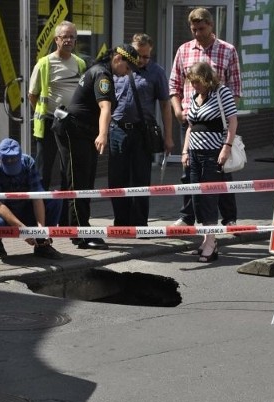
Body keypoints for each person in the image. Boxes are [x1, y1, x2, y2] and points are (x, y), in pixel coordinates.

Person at [55, 44, 139, 249]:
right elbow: (105, 106)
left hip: (80, 132)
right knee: (79, 184)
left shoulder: (99, 70)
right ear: (118, 59)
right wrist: (103, 134)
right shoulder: (102, 74)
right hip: (76, 132)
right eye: (127, 68)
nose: (127, 73)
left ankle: (73, 229)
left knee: (79, 182)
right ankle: (82, 234)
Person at [168, 7, 242, 229]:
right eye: (194, 29)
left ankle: (229, 219)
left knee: (221, 170)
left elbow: (236, 88)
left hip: (217, 123)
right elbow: (174, 84)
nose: (197, 33)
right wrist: (177, 109)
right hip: (192, 121)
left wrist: (226, 117)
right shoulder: (184, 50)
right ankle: (187, 217)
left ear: (211, 26)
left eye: (201, 28)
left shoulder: (227, 51)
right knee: (189, 171)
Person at [108, 33, 174, 227]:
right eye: (139, 56)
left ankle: (139, 224)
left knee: (140, 178)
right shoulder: (117, 69)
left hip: (141, 131)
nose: (144, 60)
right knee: (117, 178)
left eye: (147, 56)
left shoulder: (156, 72)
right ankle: (121, 222)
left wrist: (168, 136)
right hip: (117, 129)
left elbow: (165, 105)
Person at [181, 62, 238, 263]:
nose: (194, 86)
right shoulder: (194, 96)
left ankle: (212, 243)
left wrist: (226, 147)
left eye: (197, 82)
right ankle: (206, 240)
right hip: (194, 154)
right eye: (192, 82)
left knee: (209, 197)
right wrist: (185, 150)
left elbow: (232, 121)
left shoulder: (222, 93)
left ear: (206, 78)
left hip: (213, 153)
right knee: (197, 198)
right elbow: (190, 126)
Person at [28, 21, 87, 192]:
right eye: (64, 37)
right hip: (49, 123)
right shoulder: (44, 63)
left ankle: (64, 215)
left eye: (72, 37)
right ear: (56, 40)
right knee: (43, 170)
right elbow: (32, 95)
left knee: (67, 169)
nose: (68, 40)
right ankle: (41, 213)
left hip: (71, 123)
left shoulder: (80, 64)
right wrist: (46, 113)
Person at [0, 138, 63, 260]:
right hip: (1, 211)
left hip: (25, 208)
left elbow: (37, 197)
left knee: (55, 200)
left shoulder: (28, 162)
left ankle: (42, 245)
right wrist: (22, 229)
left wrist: (41, 230)